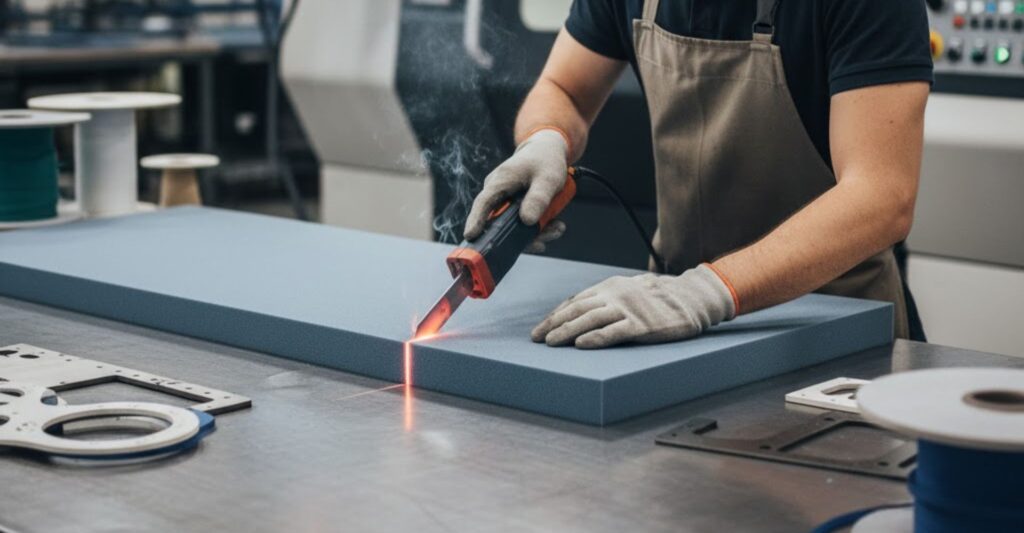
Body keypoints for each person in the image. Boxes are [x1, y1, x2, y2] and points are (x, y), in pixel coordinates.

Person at [464, 0, 932, 349]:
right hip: (670, 324)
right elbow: (563, 88)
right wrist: (546, 139)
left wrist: (706, 292)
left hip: (833, 330)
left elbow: (881, 194)